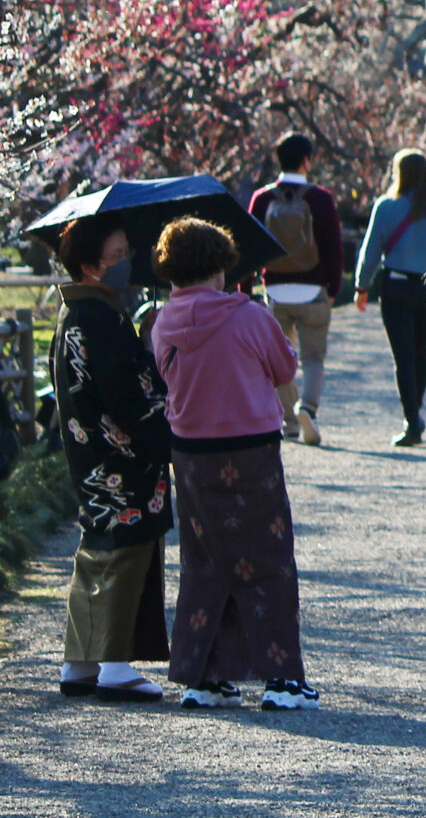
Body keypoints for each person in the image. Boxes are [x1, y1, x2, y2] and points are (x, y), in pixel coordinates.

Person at [150, 218, 319, 712]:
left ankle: (205, 676)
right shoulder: (248, 316)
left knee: (206, 561)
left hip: (191, 453)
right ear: (220, 266)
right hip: (250, 450)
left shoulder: (163, 323)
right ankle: (282, 678)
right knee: (266, 560)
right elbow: (285, 369)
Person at [49, 216, 171, 702]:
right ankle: (116, 665)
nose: (127, 263)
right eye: (118, 256)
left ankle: (79, 661)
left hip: (90, 450)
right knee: (128, 546)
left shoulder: (78, 314)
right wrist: (159, 430)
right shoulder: (100, 319)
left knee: (96, 549)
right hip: (122, 448)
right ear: (89, 265)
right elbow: (125, 392)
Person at [351, 149, 426, 448]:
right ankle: (416, 414)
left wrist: (362, 286)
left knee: (402, 356)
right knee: (420, 353)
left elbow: (370, 251)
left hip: (396, 286)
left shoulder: (387, 206)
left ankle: (411, 419)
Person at [248, 133, 344, 446]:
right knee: (313, 356)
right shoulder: (320, 198)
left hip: (276, 290)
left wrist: (244, 287)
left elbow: (249, 245)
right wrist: (333, 286)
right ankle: (309, 410)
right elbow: (333, 247)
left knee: (279, 357)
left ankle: (289, 421)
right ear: (306, 160)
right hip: (313, 289)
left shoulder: (262, 198)